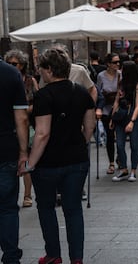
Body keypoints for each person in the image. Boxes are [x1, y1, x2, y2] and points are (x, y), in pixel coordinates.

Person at [19, 47, 95, 264]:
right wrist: (81, 141)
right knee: (73, 210)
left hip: (49, 163)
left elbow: (42, 133)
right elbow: (89, 125)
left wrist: (30, 163)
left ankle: (53, 255)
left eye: (41, 69)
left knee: (46, 208)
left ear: (49, 70)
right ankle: (77, 258)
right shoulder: (81, 92)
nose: (39, 73)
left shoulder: (44, 96)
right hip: (77, 158)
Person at [0, 57, 28, 264]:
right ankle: (10, 256)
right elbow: (21, 118)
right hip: (6, 148)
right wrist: (23, 151)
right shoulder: (11, 73)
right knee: (8, 207)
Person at [4, 49, 39, 208]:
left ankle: (27, 194)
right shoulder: (8, 76)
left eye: (15, 64)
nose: (12, 66)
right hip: (10, 127)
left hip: (26, 125)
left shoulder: (30, 81)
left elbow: (37, 102)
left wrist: (27, 109)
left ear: (22, 65)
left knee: (26, 159)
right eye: (9, 63)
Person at [110, 61, 138, 182]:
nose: (121, 70)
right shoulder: (121, 84)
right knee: (119, 144)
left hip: (132, 117)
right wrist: (112, 117)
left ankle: (133, 170)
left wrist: (132, 121)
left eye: (123, 69)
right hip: (121, 117)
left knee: (134, 145)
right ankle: (124, 168)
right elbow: (116, 101)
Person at [96, 53, 121, 174]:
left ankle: (120, 158)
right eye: (115, 62)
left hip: (118, 110)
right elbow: (98, 92)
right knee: (110, 136)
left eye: (118, 62)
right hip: (106, 109)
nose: (118, 64)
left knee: (120, 136)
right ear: (108, 64)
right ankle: (111, 162)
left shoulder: (120, 75)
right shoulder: (101, 76)